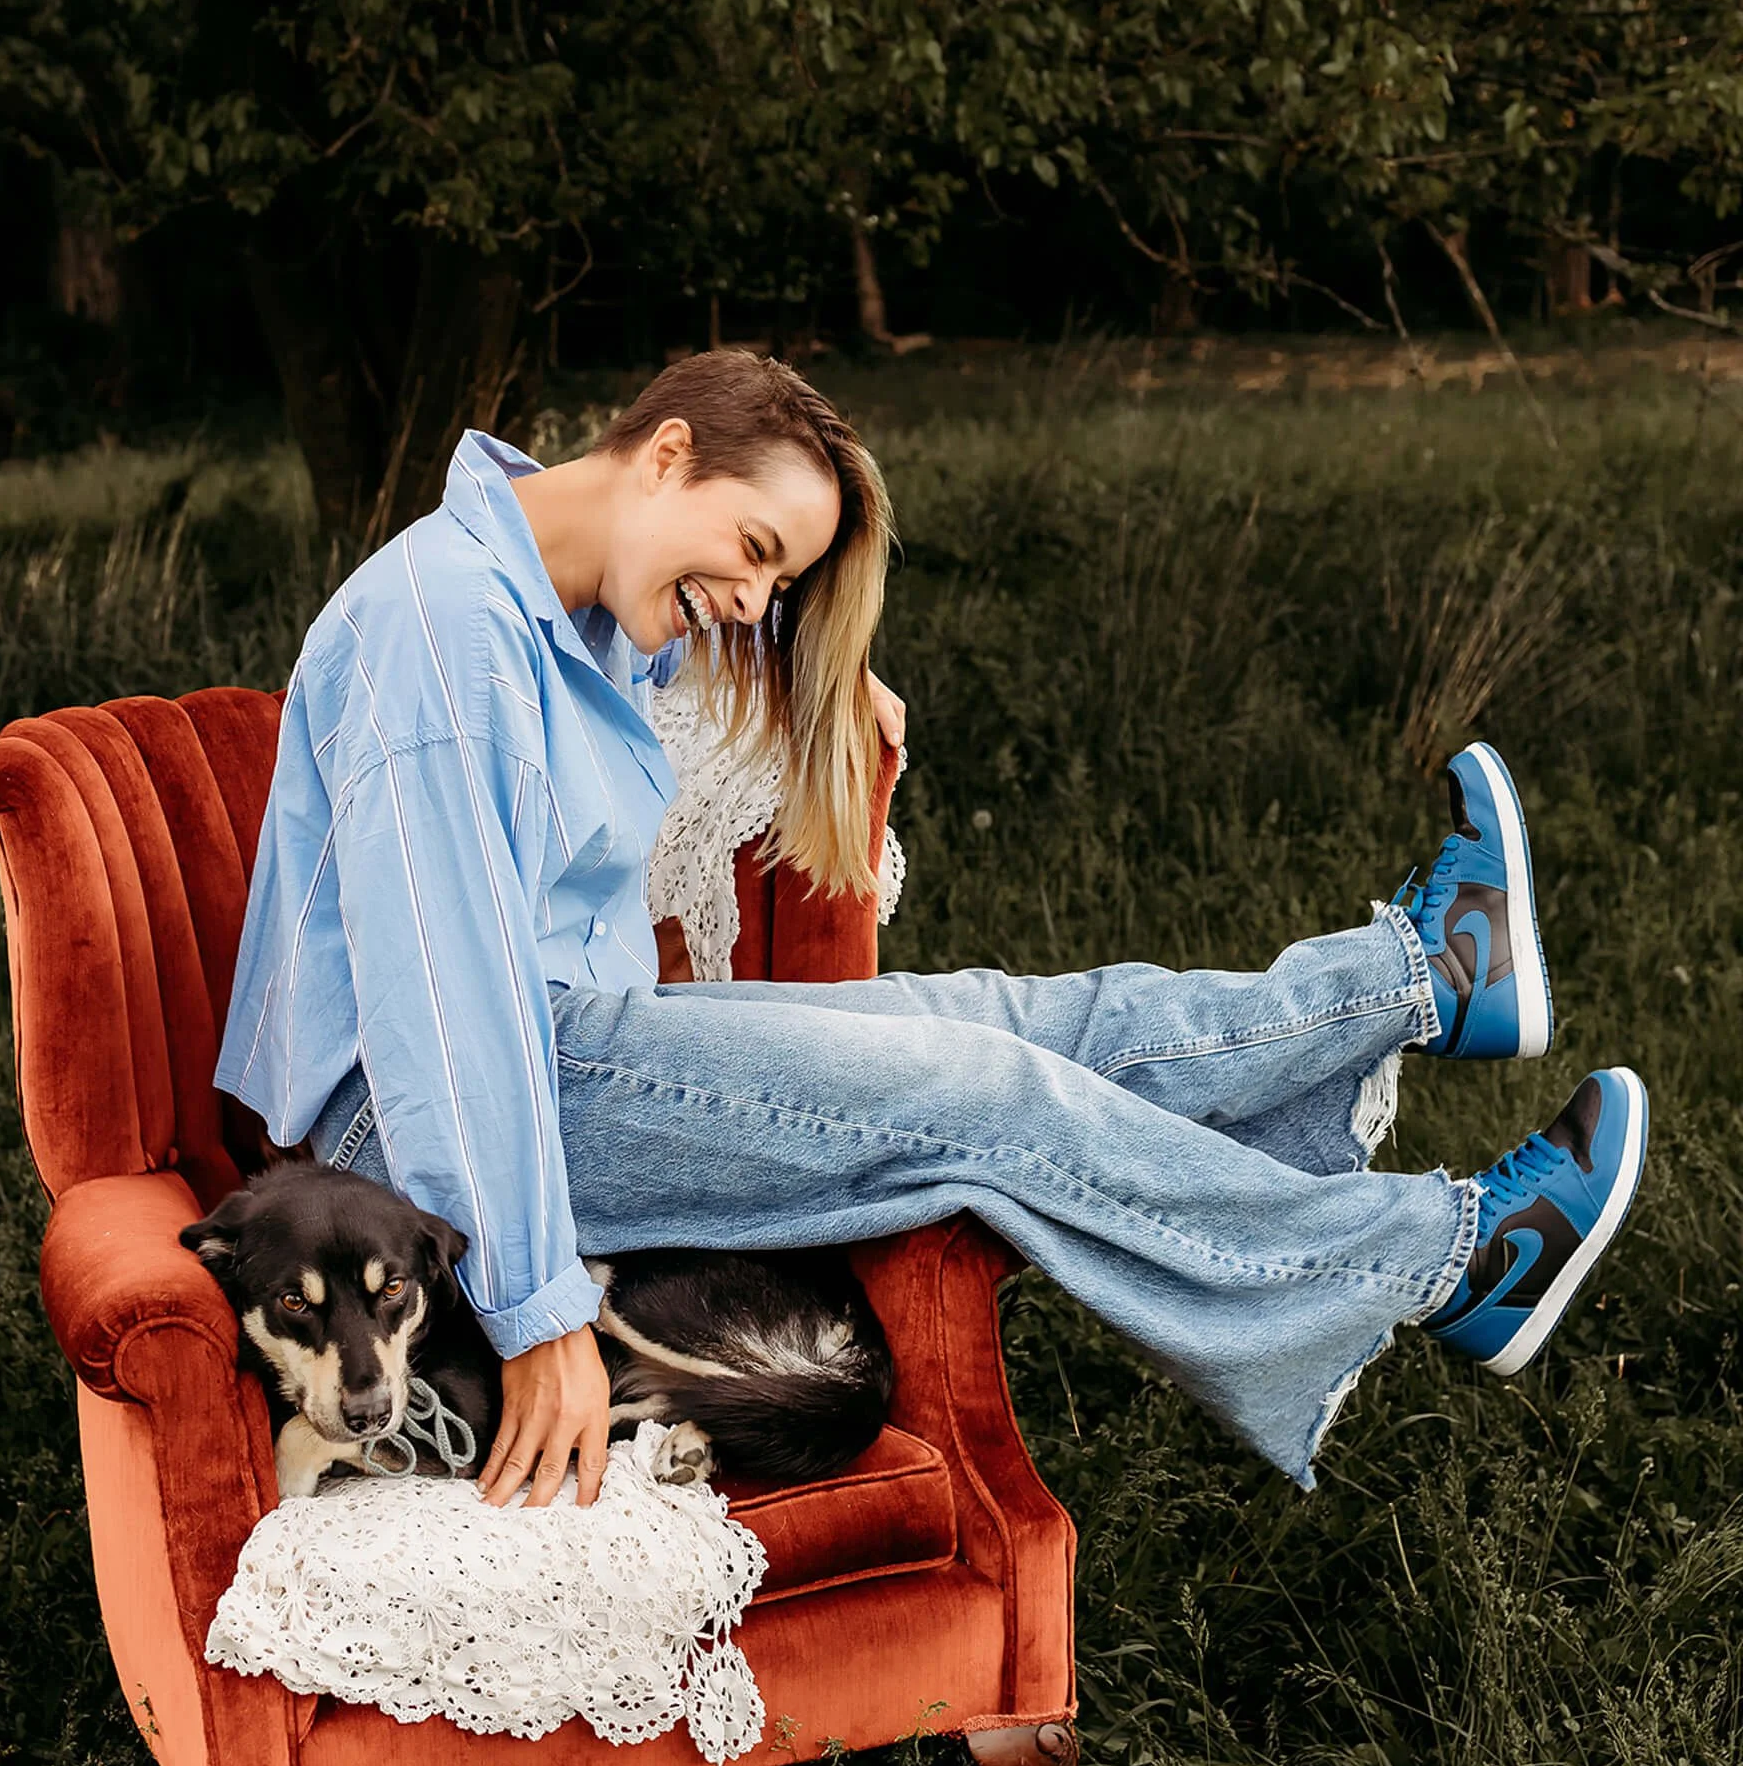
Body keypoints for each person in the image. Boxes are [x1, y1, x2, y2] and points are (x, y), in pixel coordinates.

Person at [218, 350, 1650, 1510]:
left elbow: (707, 661)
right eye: (757, 550)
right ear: (661, 452)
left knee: (996, 1019)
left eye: (776, 585)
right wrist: (529, 1318)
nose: (748, 603)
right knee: (989, 1098)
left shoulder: (565, 603)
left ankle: (1421, 975)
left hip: (571, 1055)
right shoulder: (446, 634)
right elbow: (447, 1018)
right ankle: (1449, 1262)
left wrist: (822, 673)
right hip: (429, 1131)